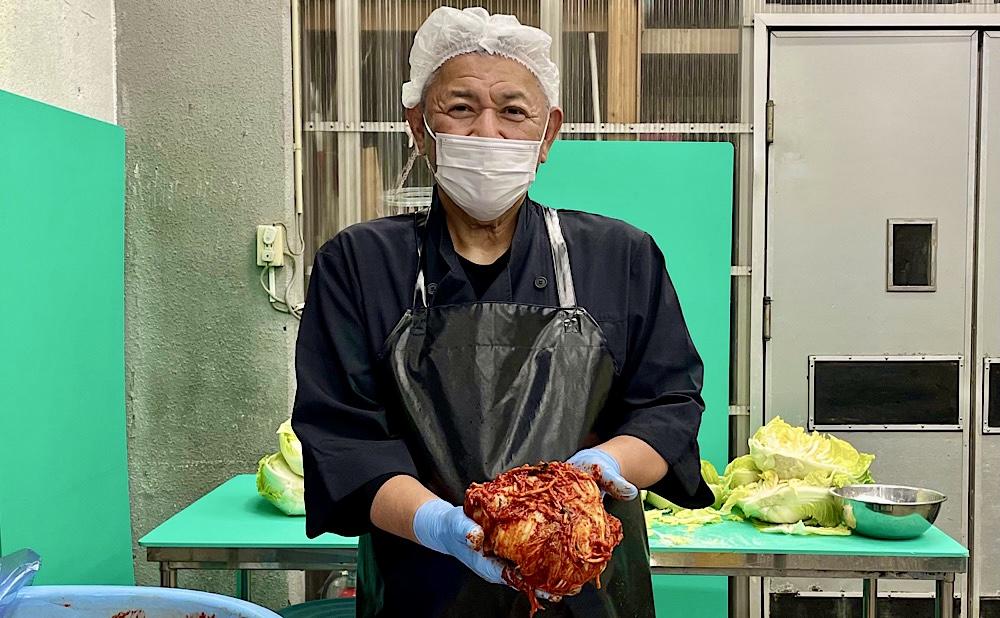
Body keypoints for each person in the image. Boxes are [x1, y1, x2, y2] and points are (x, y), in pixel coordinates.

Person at [292, 6, 713, 617]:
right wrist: (442, 525)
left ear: (548, 134)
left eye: (515, 112)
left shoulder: (619, 257)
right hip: (419, 587)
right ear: (417, 125)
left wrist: (594, 473)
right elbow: (343, 442)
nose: (487, 133)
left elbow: (669, 407)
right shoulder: (359, 264)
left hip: (587, 590)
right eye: (460, 107)